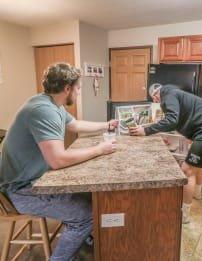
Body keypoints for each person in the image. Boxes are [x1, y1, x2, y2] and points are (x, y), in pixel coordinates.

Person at [0, 63, 118, 261]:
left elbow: (75, 125)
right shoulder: (44, 111)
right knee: (86, 216)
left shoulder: (48, 103)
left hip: (34, 180)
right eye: (79, 88)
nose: (79, 93)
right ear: (67, 88)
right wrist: (99, 150)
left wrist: (106, 125)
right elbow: (58, 160)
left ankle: (83, 239)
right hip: (22, 191)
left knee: (92, 194)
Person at [129, 84, 202, 223]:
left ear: (156, 96)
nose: (158, 103)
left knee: (187, 171)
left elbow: (172, 120)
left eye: (156, 101)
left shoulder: (167, 95)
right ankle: (196, 194)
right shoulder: (175, 92)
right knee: (198, 165)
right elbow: (183, 116)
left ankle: (184, 215)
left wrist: (146, 131)